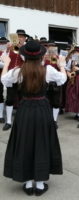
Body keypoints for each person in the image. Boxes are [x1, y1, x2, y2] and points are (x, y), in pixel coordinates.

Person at [1, 40, 66, 196]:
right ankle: (40, 184)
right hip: (42, 109)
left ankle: (29, 183)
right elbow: (62, 79)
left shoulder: (18, 71)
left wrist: (6, 63)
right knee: (42, 141)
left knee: (25, 141)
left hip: (24, 109)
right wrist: (62, 65)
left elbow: (4, 80)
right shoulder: (48, 69)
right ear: (40, 56)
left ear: (24, 56)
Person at [3, 29, 28, 131]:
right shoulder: (10, 46)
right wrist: (7, 50)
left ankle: (22, 120)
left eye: (21, 37)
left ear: (25, 38)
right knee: (9, 99)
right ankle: (8, 121)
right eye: (18, 36)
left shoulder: (26, 47)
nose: (20, 38)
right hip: (10, 76)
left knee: (23, 99)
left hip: (22, 76)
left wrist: (21, 49)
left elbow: (27, 60)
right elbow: (3, 58)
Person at [65, 46, 79, 121]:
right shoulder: (71, 61)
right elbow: (67, 69)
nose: (76, 54)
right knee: (72, 96)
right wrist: (69, 74)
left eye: (77, 52)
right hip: (73, 80)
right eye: (75, 52)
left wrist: (78, 69)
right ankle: (77, 113)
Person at [0, 37, 9, 123]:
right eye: (1, 43)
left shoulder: (7, 52)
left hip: (2, 76)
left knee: (0, 96)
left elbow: (8, 63)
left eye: (4, 43)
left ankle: (1, 116)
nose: (2, 44)